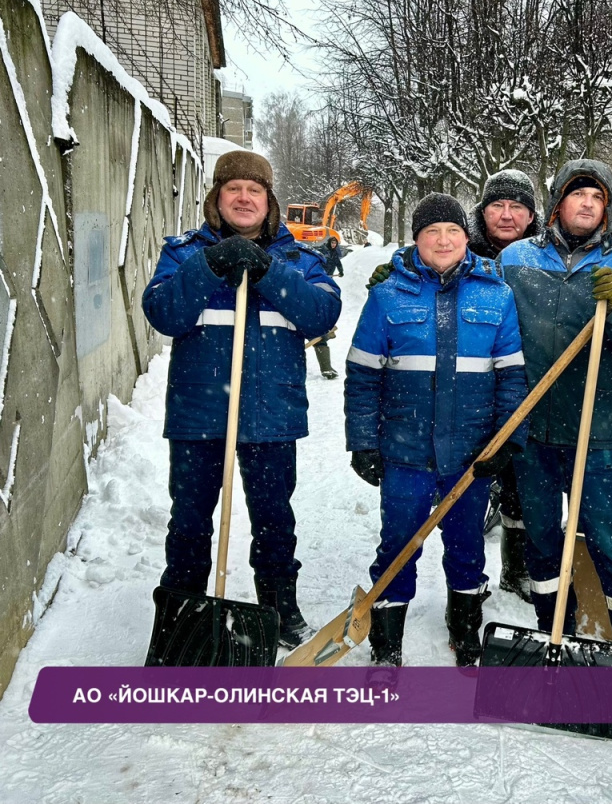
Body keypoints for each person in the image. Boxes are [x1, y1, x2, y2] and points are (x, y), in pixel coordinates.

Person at [142, 150, 342, 650]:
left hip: (271, 413)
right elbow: (163, 312)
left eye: (255, 190)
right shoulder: (184, 254)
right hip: (199, 412)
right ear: (217, 197)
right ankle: (183, 613)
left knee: (274, 521)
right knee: (189, 520)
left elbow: (321, 314)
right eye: (234, 188)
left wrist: (269, 271)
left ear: (269, 200)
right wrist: (210, 265)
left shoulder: (300, 260)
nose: (245, 198)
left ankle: (279, 609)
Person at [497, 158, 612, 700]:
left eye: (598, 197)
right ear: (557, 204)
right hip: (530, 429)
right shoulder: (515, 260)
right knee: (543, 542)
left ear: (608, 208)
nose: (588, 204)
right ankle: (556, 634)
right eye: (578, 195)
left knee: (611, 542)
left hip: (595, 433)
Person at [344, 193, 528, 670]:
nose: (443, 241)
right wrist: (362, 441)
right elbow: (363, 374)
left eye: (453, 231)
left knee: (467, 546)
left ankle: (464, 625)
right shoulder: (387, 295)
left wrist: (507, 439)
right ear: (416, 239)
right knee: (398, 543)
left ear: (467, 237)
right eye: (432, 232)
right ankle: (387, 640)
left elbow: (512, 376)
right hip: (405, 450)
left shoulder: (496, 294)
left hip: (471, 453)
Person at [468, 169, 540, 603]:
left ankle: (517, 569)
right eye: (497, 205)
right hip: (472, 380)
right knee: (468, 481)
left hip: (524, 379)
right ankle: (465, 579)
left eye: (517, 207)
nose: (507, 215)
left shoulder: (543, 256)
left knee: (521, 479)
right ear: (483, 211)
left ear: (532, 216)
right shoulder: (462, 250)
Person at [309, 235, 348, 379]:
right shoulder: (321, 253)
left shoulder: (334, 253)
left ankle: (326, 368)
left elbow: (337, 262)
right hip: (316, 283)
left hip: (325, 282)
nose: (333, 245)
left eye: (335, 243)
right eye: (332, 242)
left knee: (319, 332)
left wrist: (341, 270)